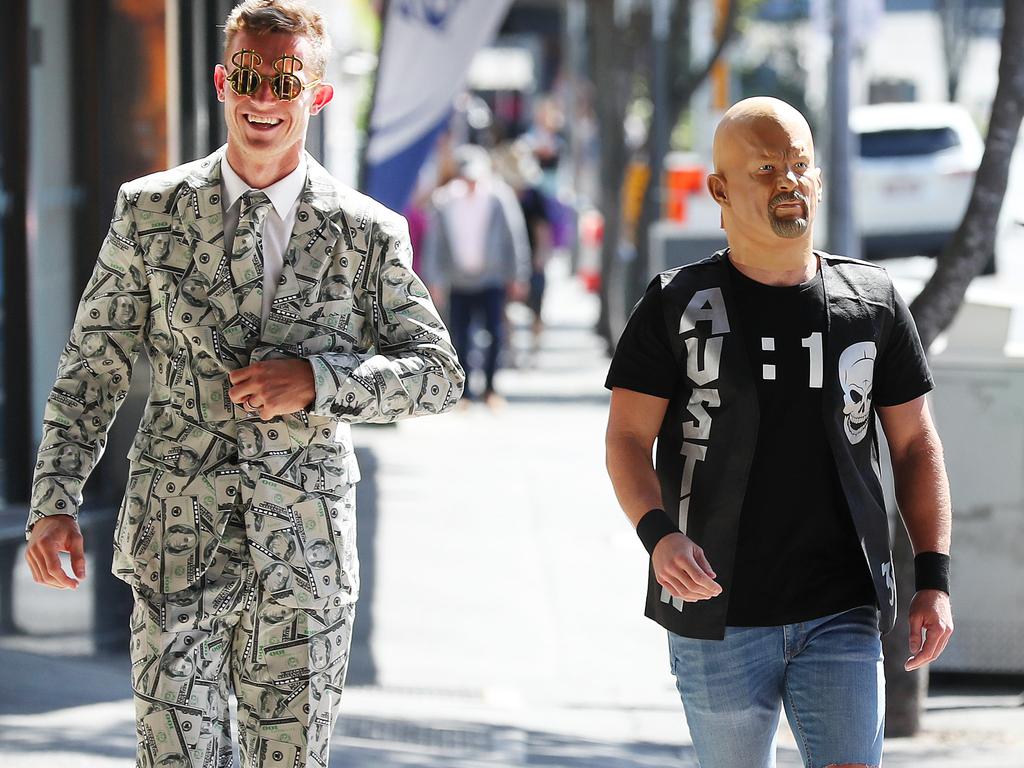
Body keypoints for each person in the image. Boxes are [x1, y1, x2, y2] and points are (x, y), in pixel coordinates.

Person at [23, 2, 464, 766]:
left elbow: (438, 374)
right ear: (225, 82)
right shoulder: (149, 211)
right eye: (250, 79)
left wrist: (320, 382)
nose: (264, 99)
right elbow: (94, 364)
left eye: (284, 81)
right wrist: (54, 499)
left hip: (304, 559)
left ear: (316, 95)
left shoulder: (366, 232)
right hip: (174, 548)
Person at [604, 97, 953, 768]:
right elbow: (625, 438)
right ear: (720, 190)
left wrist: (932, 579)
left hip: (842, 608)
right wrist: (658, 536)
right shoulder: (676, 305)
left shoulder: (871, 303)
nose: (788, 182)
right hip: (717, 615)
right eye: (764, 168)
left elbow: (915, 446)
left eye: (799, 165)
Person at [421, 144, 530, 408]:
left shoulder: (498, 197)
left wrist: (519, 274)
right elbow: (434, 244)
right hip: (459, 281)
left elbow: (514, 236)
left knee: (495, 332)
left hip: (491, 279)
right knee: (461, 335)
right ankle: (466, 391)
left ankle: (491, 387)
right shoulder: (445, 201)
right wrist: (434, 279)